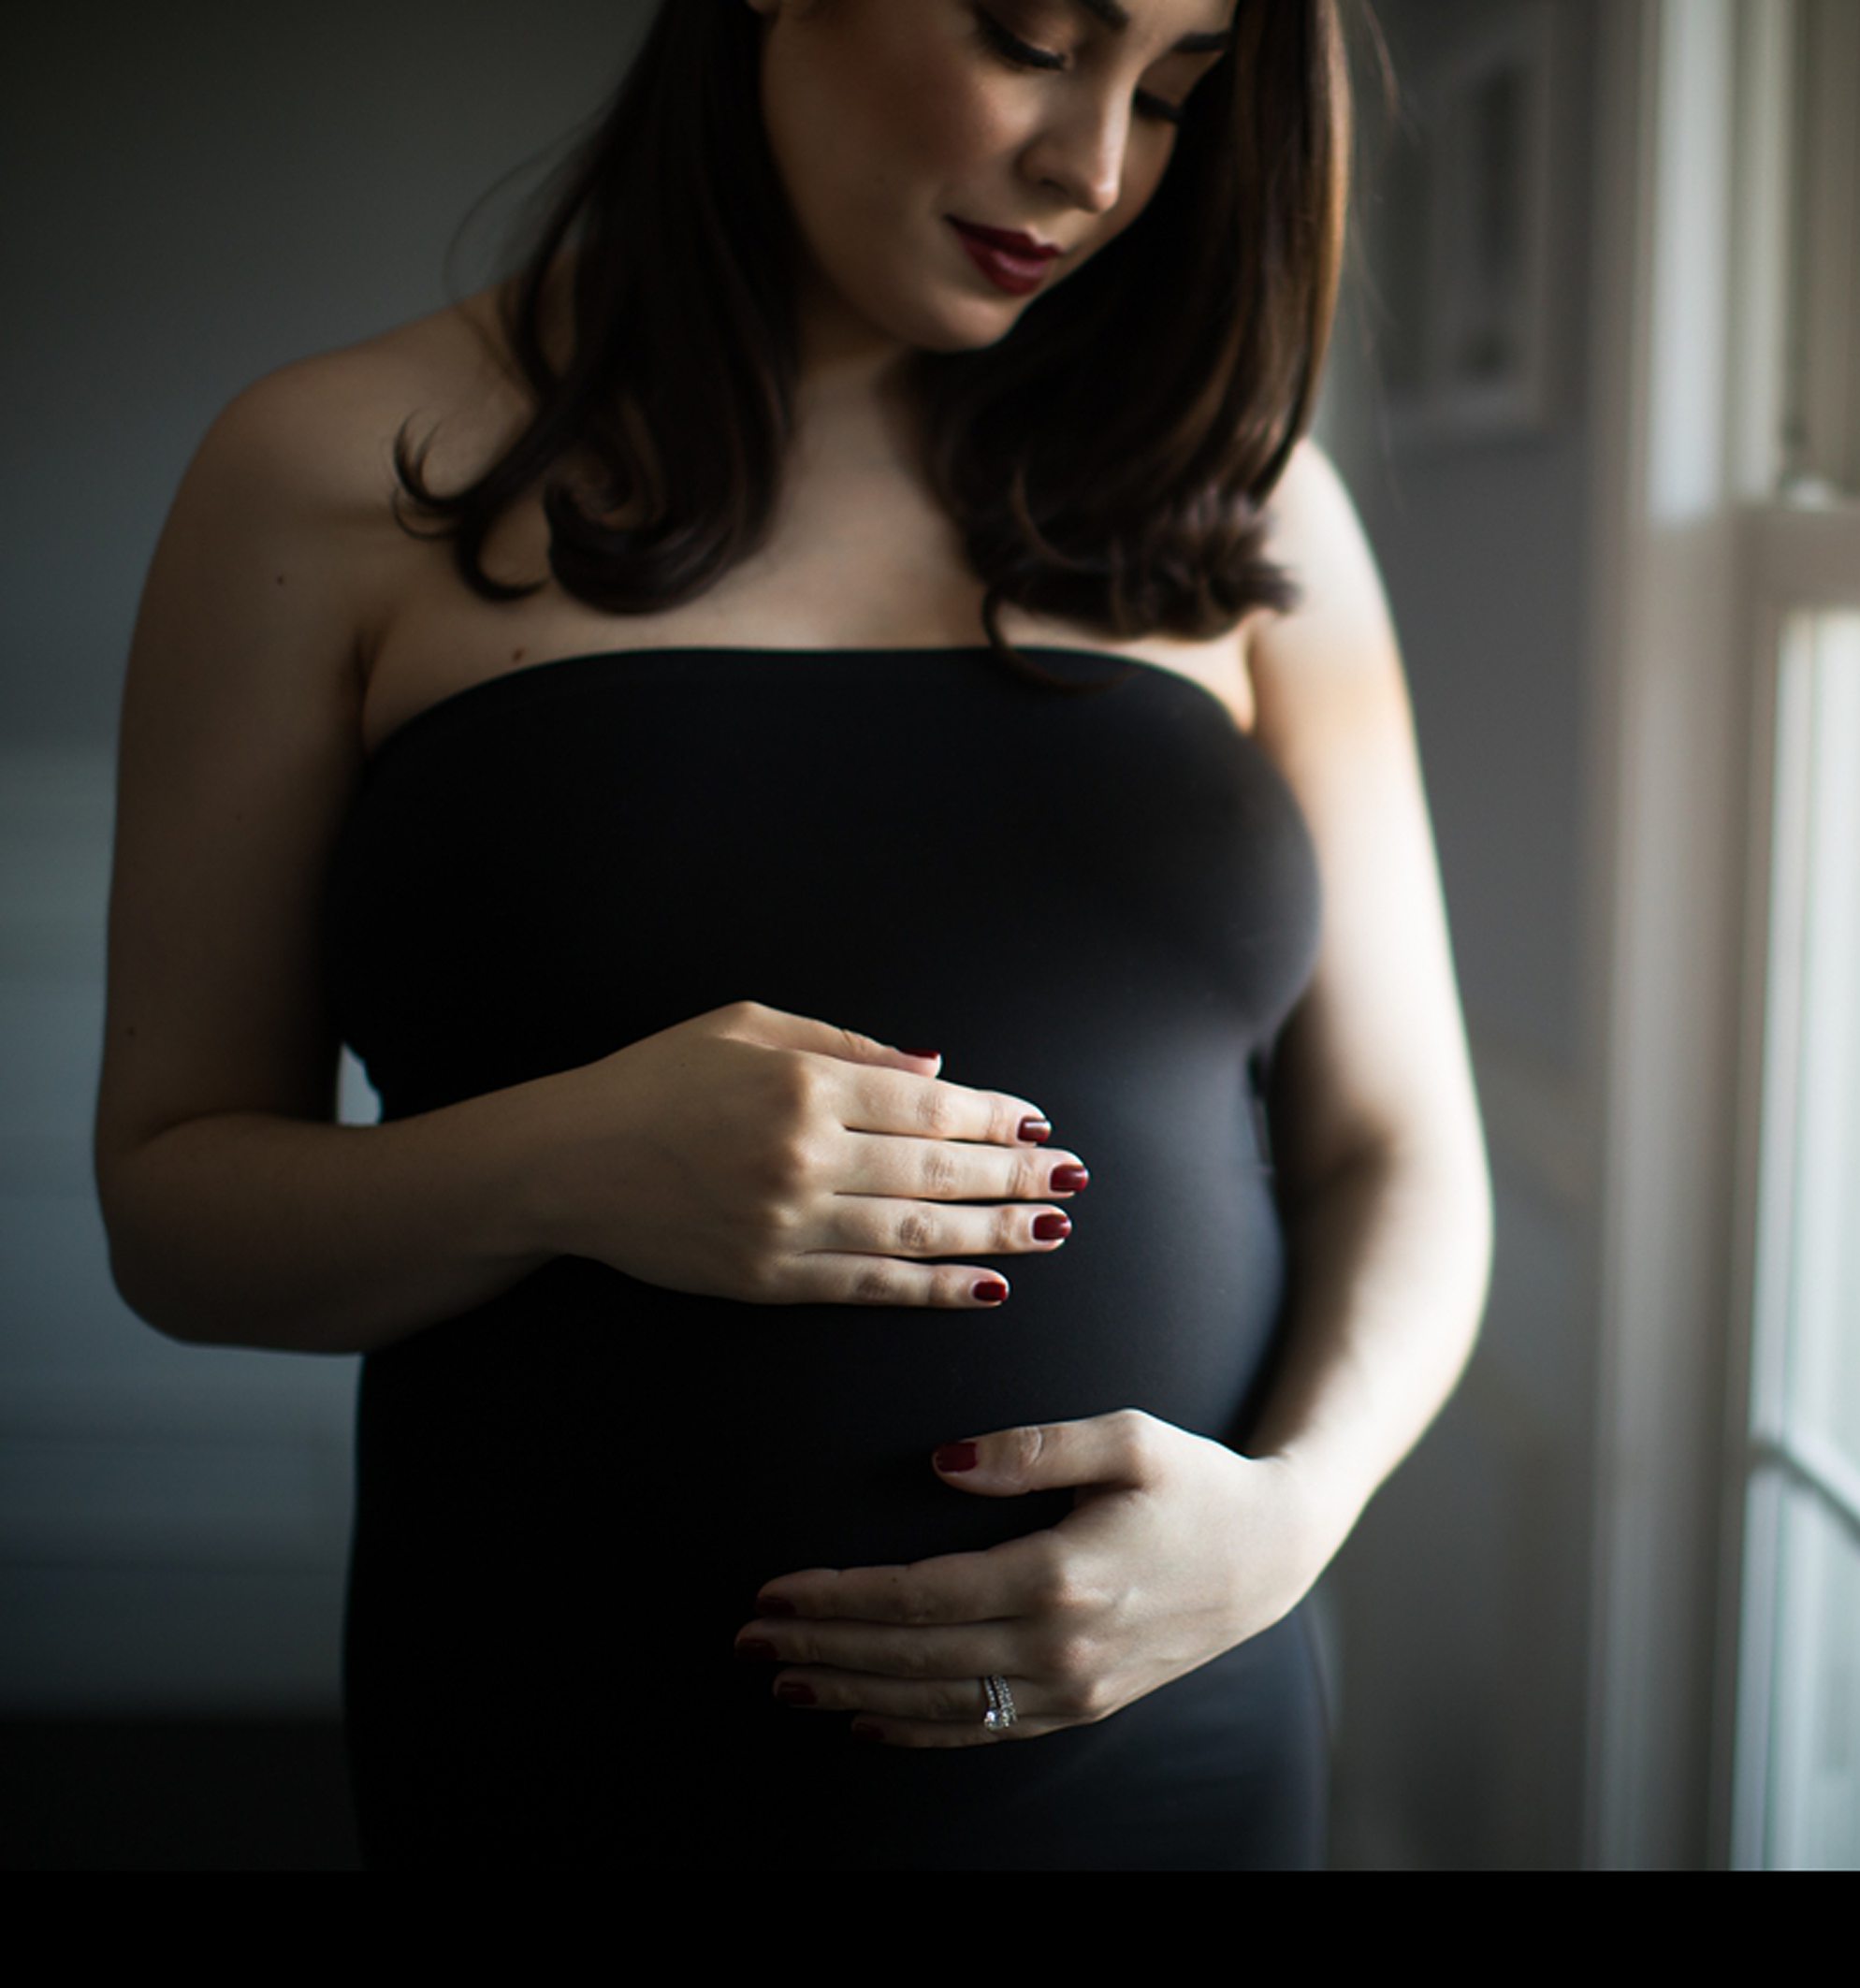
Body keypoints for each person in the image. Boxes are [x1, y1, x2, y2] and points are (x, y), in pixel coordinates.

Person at [91, 0, 1490, 1870]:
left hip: (1172, 1723)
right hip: (581, 1753)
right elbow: (178, 1216)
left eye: (1171, 92)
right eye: (1030, 36)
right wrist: (562, 1163)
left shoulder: (1243, 507)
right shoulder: (326, 477)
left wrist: (1289, 1519)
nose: (1093, 166)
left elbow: (1399, 1148)